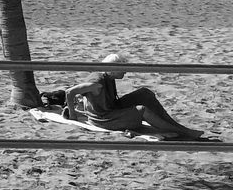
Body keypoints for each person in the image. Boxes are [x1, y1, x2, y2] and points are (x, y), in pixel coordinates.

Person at [63, 54, 205, 140]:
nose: (125, 73)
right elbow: (70, 92)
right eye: (123, 70)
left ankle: (176, 127)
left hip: (112, 107)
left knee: (145, 93)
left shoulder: (108, 77)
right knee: (141, 110)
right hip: (104, 119)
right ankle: (180, 132)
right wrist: (73, 115)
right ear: (113, 69)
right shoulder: (96, 83)